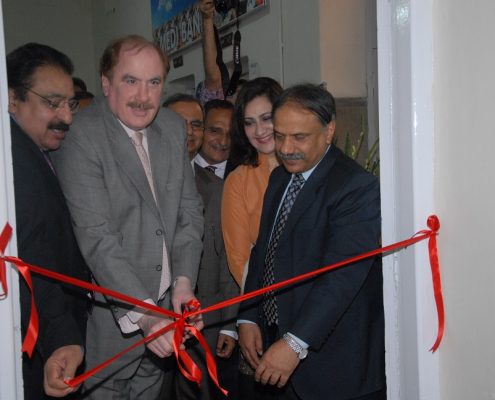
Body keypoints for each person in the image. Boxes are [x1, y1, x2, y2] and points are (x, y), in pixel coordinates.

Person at [53, 35, 204, 399]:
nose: (143, 96)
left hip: (167, 313)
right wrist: (145, 313)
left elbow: (189, 211)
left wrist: (183, 283)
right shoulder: (82, 135)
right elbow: (97, 237)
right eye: (131, 80)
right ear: (106, 84)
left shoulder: (172, 125)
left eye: (154, 82)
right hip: (112, 318)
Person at [238, 83, 385, 400]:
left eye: (299, 137)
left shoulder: (356, 187)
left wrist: (294, 342)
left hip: (333, 365)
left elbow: (342, 277)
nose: (286, 148)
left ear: (329, 131)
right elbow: (263, 251)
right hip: (276, 347)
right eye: (279, 136)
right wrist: (248, 315)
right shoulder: (280, 178)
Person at [7, 43, 90, 399]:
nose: (66, 117)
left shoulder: (33, 148)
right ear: (12, 99)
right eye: (52, 103)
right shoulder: (12, 161)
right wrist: (62, 339)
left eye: (70, 104)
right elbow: (32, 256)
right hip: (39, 345)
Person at [164, 94, 240, 399]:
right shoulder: (132, 181)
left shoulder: (218, 188)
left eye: (196, 124)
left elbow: (228, 261)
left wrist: (228, 324)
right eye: (179, 123)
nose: (189, 131)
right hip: (145, 322)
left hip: (203, 324)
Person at [221, 77, 282, 287]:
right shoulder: (238, 181)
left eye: (266, 118)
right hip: (267, 295)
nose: (259, 131)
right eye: (249, 123)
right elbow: (240, 262)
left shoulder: (309, 166)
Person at [193, 99, 233, 179]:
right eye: (215, 131)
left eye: (231, 134)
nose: (223, 142)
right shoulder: (179, 165)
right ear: (201, 129)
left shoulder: (246, 175)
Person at [163, 93, 204, 160]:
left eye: (196, 125)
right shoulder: (149, 165)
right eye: (181, 124)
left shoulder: (207, 167)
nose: (189, 131)